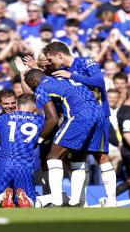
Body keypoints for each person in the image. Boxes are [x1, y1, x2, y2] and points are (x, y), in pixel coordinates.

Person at [42, 41, 117, 207]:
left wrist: (72, 76)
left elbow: (99, 81)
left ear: (59, 55)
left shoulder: (86, 62)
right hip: (78, 118)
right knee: (77, 157)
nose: (50, 63)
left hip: (100, 114)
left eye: (50, 59)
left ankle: (112, 200)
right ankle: (80, 202)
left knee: (101, 157)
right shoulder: (60, 72)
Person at [24, 68, 102, 207]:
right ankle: (79, 201)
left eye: (29, 85)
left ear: (33, 81)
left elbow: (52, 119)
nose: (31, 88)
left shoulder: (41, 87)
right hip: (98, 113)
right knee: (77, 157)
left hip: (80, 115)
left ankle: (56, 200)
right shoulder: (64, 79)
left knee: (53, 156)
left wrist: (39, 139)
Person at [0, 93, 45, 208]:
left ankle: (3, 196)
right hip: (25, 166)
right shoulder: (40, 120)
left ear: (17, 105)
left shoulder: (2, 118)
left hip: (4, 165)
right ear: (34, 106)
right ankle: (28, 198)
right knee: (31, 203)